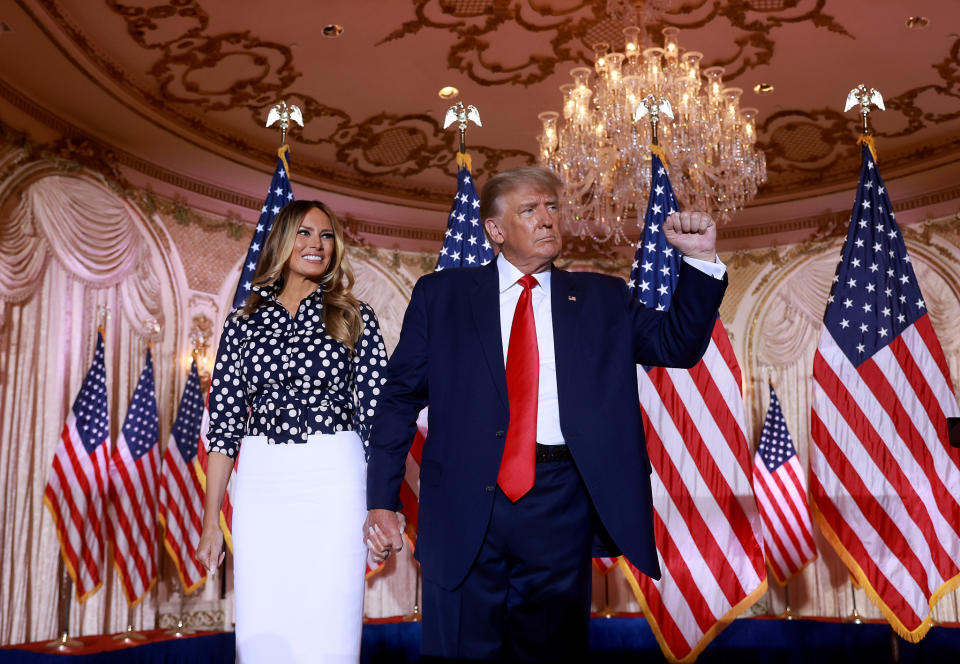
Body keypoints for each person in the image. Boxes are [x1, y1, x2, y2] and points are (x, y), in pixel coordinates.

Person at [364, 166, 727, 662]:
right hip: (464, 500)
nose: (547, 220)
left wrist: (701, 260)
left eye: (553, 208)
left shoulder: (603, 297)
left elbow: (678, 344)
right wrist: (382, 499)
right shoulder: (441, 295)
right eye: (529, 210)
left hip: (561, 500)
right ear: (494, 230)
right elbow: (398, 399)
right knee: (459, 651)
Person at [196, 200, 388, 664]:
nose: (316, 245)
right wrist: (209, 523)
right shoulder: (242, 325)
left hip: (335, 478)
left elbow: (380, 420)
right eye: (304, 233)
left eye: (326, 236)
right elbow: (223, 430)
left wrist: (386, 503)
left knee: (331, 628)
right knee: (264, 628)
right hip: (262, 481)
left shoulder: (353, 315)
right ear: (281, 242)